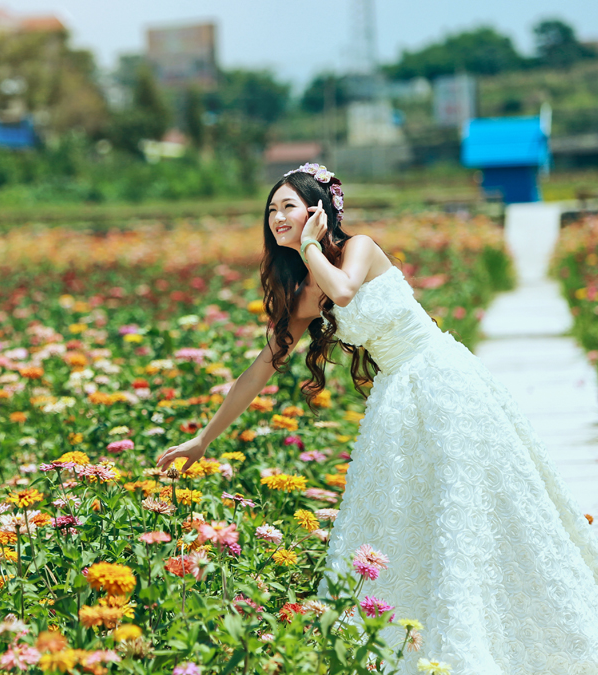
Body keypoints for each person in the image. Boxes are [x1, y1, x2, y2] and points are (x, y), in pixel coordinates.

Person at [156, 163, 598, 674]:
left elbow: (344, 292)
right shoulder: (303, 293)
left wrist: (311, 248)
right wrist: (204, 440)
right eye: (272, 210)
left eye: (289, 207)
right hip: (397, 398)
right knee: (407, 517)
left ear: (319, 212)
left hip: (443, 379)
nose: (277, 217)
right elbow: (260, 369)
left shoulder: (359, 248)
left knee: (472, 506)